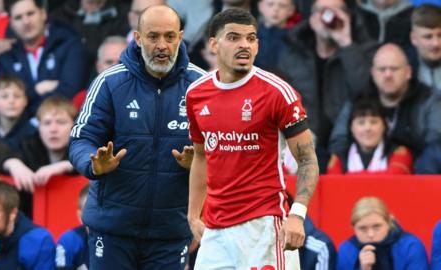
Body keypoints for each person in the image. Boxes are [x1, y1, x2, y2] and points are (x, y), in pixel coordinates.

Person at [69, 5, 205, 270]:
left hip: (170, 233)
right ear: (138, 38)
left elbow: (222, 150)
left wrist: (200, 163)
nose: (162, 45)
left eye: (169, 36)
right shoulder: (109, 82)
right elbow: (80, 140)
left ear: (180, 37)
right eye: (153, 37)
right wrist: (92, 164)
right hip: (112, 230)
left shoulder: (202, 87)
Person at [186, 8, 319, 269]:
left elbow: (307, 159)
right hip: (215, 230)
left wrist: (297, 214)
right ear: (214, 44)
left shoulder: (278, 93)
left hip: (265, 227)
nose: (244, 45)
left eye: (251, 38)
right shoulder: (196, 94)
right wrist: (193, 216)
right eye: (234, 37)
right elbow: (201, 156)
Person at [277, 0, 377, 170]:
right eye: (322, 11)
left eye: (336, 11)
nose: (327, 17)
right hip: (304, 145)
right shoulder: (293, 52)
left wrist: (345, 41)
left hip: (348, 147)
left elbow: (364, 93)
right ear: (311, 18)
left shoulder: (362, 50)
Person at [329, 43, 441, 158]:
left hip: (415, 171)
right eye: (382, 69)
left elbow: (435, 148)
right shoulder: (358, 99)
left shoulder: (428, 98)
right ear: (373, 73)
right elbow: (338, 143)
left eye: (394, 69)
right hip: (361, 172)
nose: (388, 75)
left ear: (408, 72)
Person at [0, 0, 88, 115]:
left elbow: (70, 92)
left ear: (43, 14)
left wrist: (26, 97)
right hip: (24, 130)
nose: (26, 21)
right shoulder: (6, 60)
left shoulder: (70, 46)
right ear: (11, 24)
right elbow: (2, 103)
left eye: (30, 14)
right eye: (18, 17)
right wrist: (36, 90)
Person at [4, 96, 77, 217]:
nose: (53, 129)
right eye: (47, 123)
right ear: (39, 128)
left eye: (61, 122)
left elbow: (95, 163)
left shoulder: (84, 146)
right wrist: (12, 163)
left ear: (74, 126)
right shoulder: (29, 145)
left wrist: (66, 165)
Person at [337, 196, 429, 270]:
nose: (370, 234)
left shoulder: (410, 246)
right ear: (353, 228)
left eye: (377, 227)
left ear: (389, 223)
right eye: (363, 229)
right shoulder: (347, 250)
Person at [327, 98, 413, 174]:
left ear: (384, 126)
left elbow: (393, 179)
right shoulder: (339, 158)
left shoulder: (400, 153)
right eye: (361, 122)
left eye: (374, 122)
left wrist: (348, 178)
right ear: (351, 128)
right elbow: (332, 183)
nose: (367, 128)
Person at [0, 75, 37, 152]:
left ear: (25, 101)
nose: (11, 101)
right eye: (4, 96)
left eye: (17, 96)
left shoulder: (34, 135)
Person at [409, 4, 441, 96]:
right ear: (413, 38)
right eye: (428, 37)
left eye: (440, 35)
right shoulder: (402, 67)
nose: (436, 43)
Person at [56, 184, 89, 270]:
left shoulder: (119, 239)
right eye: (89, 210)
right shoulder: (69, 240)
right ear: (80, 215)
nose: (95, 216)